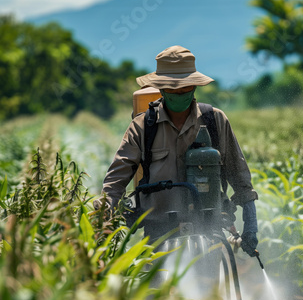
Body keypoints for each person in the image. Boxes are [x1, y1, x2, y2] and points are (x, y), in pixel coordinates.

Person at [94, 45, 258, 255]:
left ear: (194, 87)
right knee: (158, 285)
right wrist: (103, 215)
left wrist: (251, 224)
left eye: (184, 89)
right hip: (159, 230)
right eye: (172, 90)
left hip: (209, 229)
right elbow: (117, 178)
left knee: (211, 286)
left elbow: (240, 175)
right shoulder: (144, 126)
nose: (179, 94)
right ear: (160, 89)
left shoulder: (215, 120)